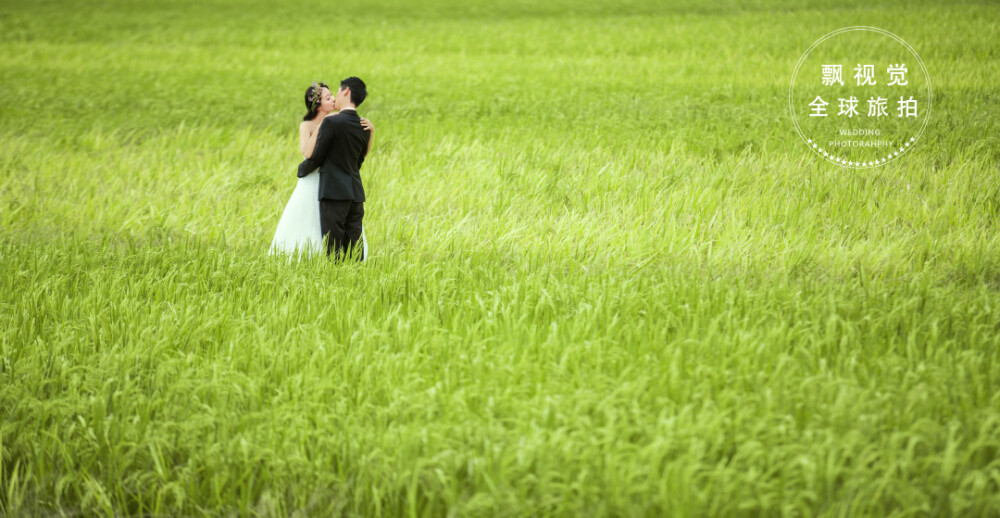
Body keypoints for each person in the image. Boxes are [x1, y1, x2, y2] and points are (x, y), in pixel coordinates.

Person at [270, 82, 373, 259]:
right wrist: (322, 124)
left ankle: (338, 260)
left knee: (336, 224)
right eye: (328, 98)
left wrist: (370, 131)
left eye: (333, 95)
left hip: (333, 181)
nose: (333, 99)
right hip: (313, 180)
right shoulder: (308, 125)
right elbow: (307, 153)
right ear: (318, 106)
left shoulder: (336, 121)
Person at [297, 77, 371, 261]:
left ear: (346, 92)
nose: (334, 96)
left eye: (336, 92)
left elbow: (315, 157)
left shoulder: (331, 122)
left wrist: (302, 171)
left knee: (334, 248)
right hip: (355, 192)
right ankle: (356, 279)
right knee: (355, 247)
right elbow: (359, 160)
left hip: (333, 191)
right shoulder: (365, 126)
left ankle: (336, 279)